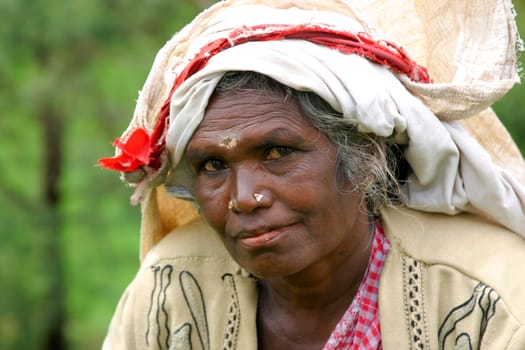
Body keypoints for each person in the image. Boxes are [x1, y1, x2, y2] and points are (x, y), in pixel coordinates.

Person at [99, 0, 525, 349]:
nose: (245, 198)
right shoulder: (169, 288)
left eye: (278, 152)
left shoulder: (493, 297)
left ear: (363, 156)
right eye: (213, 165)